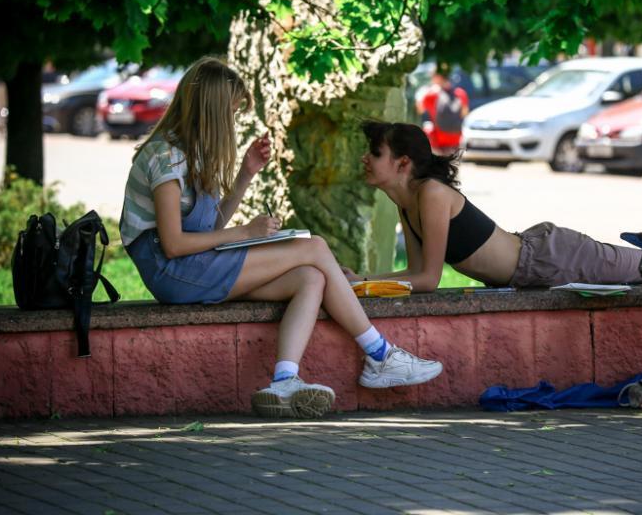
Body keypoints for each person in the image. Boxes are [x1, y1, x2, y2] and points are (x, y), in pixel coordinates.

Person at [119, 56, 442, 420]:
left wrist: (245, 175)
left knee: (311, 277)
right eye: (233, 112)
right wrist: (245, 233)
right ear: (211, 111)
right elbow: (175, 244)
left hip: (192, 269)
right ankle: (381, 354)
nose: (234, 121)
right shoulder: (166, 156)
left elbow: (206, 233)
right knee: (315, 247)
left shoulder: (188, 153)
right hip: (173, 273)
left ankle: (284, 380)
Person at [342, 121, 642, 292]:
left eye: (375, 153)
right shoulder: (407, 204)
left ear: (402, 162)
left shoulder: (431, 193)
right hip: (539, 266)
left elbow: (429, 280)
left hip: (549, 257)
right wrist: (360, 281)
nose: (365, 159)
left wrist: (359, 285)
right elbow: (415, 271)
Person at [421, 65, 469, 155]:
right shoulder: (460, 93)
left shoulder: (431, 95)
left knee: (427, 127)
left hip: (438, 142)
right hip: (456, 140)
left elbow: (420, 109)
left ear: (437, 77)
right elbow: (464, 113)